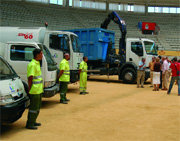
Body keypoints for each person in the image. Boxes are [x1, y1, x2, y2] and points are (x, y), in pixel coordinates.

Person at [26, 49, 43, 130]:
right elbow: (30, 78)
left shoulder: (37, 63)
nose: (42, 55)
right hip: (34, 90)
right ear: (37, 55)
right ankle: (29, 123)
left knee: (37, 107)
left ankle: (33, 121)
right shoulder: (32, 64)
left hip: (39, 90)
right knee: (33, 108)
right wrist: (29, 89)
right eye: (41, 53)